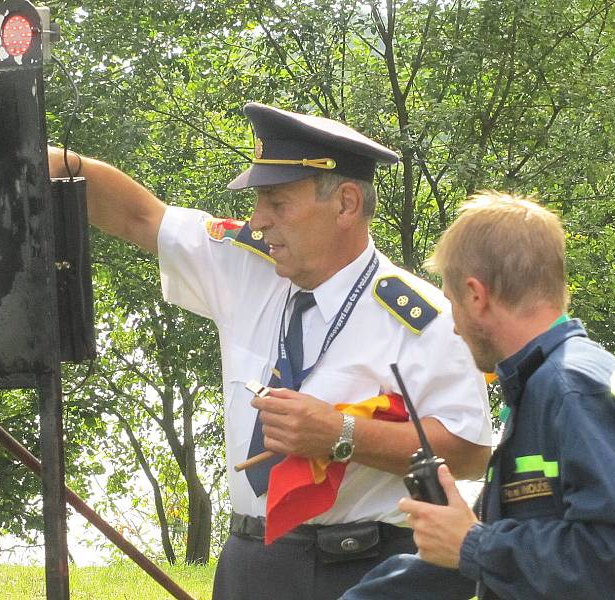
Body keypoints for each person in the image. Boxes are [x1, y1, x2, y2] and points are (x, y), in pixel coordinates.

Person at [49, 103, 492, 600]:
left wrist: (341, 434)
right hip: (251, 564)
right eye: (259, 201)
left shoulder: (423, 319)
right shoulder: (245, 268)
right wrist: (49, 162)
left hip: (364, 568)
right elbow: (138, 217)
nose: (258, 222)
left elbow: (470, 452)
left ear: (346, 204)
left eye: (277, 204)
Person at [341, 191, 615, 600]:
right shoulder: (545, 383)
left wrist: (473, 545)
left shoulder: (570, 389)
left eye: (451, 304)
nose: (453, 328)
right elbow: (485, 546)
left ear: (476, 295)